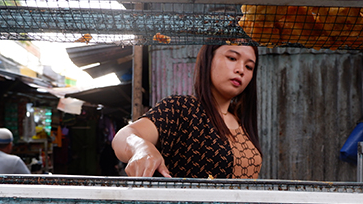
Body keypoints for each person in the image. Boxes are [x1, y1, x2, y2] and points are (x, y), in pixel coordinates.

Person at [112, 43, 262, 179]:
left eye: (249, 67)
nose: (241, 70)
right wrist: (141, 148)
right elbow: (125, 136)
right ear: (208, 59)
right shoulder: (183, 108)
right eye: (232, 58)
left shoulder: (241, 119)